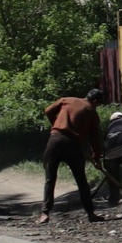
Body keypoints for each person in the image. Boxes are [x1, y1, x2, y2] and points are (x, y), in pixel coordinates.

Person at [40, 87, 107, 222]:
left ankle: (45, 213)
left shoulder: (67, 100)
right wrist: (96, 156)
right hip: (74, 145)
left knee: (50, 178)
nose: (97, 107)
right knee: (81, 181)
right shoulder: (92, 113)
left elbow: (47, 110)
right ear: (95, 101)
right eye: (98, 104)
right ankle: (90, 214)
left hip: (55, 140)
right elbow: (95, 138)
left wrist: (56, 124)